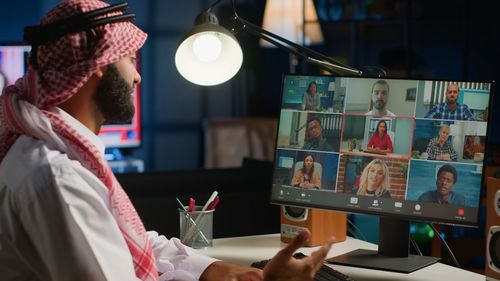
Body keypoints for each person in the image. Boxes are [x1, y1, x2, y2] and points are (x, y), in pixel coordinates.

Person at [0, 1, 334, 280]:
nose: (137, 76)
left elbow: (129, 241)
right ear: (98, 65)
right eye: (130, 60)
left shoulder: (53, 152)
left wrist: (217, 271)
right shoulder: (56, 179)